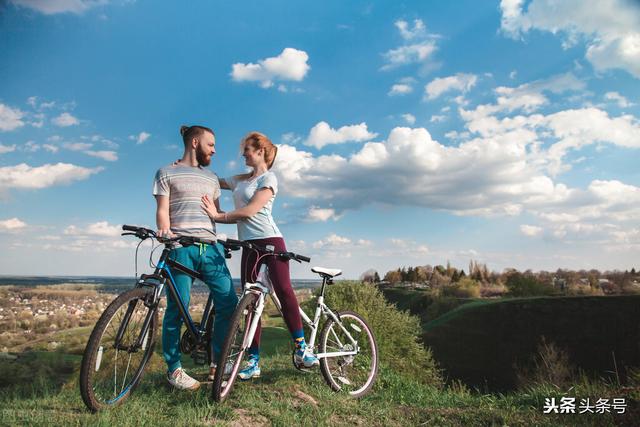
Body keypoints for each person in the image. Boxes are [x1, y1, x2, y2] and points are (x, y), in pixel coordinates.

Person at [201, 131, 318, 380]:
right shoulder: (240, 180)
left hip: (271, 242)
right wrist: (196, 162)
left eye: (247, 149)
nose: (243, 154)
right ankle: (253, 360)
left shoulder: (269, 178)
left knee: (284, 290)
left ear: (261, 151)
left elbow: (250, 211)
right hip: (250, 246)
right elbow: (214, 180)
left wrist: (218, 216)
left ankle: (301, 347)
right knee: (250, 303)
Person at [153, 125, 238, 390]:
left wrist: (220, 212)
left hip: (210, 248)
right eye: (210, 144)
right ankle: (174, 369)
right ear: (194, 142)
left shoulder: (212, 178)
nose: (214, 149)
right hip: (181, 247)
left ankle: (217, 363)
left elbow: (217, 212)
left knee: (228, 304)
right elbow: (162, 210)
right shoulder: (166, 172)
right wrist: (164, 231)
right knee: (177, 309)